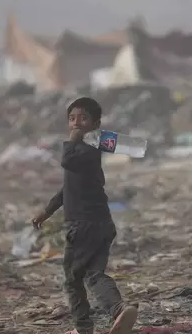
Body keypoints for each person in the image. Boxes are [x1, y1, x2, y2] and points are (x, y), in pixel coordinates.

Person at [31, 97, 137, 334]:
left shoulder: (86, 151)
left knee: (73, 279)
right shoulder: (86, 153)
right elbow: (67, 189)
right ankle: (119, 310)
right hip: (101, 225)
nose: (76, 123)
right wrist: (46, 212)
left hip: (83, 226)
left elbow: (66, 160)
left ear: (95, 124)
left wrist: (72, 140)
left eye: (83, 118)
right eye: (72, 118)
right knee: (93, 273)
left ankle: (85, 327)